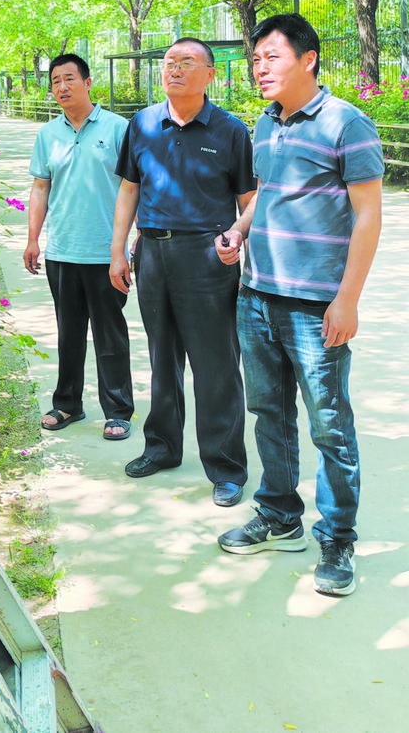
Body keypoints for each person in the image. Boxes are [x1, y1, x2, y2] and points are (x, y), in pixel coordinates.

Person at [214, 14, 383, 597]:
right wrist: (238, 231)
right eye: (256, 58)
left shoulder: (346, 124)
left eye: (271, 56)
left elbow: (368, 216)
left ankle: (337, 538)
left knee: (329, 425)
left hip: (316, 307)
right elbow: (267, 196)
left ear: (308, 59)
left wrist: (348, 300)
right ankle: (279, 513)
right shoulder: (265, 124)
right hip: (256, 297)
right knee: (269, 413)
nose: (259, 67)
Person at [110, 38, 256, 507]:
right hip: (151, 253)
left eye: (186, 62)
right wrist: (118, 251)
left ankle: (227, 467)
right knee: (161, 358)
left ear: (210, 74)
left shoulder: (231, 130)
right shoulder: (143, 124)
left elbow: (249, 200)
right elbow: (129, 190)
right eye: (169, 62)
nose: (173, 69)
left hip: (207, 257)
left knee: (216, 365)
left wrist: (237, 236)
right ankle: (162, 447)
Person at [23, 53, 134, 441]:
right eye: (55, 81)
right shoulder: (47, 134)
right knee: (68, 333)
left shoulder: (119, 129)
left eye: (69, 78)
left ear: (88, 83)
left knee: (110, 334)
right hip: (62, 252)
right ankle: (68, 403)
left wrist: (126, 245)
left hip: (106, 253)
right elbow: (41, 187)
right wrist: (33, 238)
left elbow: (133, 188)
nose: (62, 87)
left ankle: (118, 410)